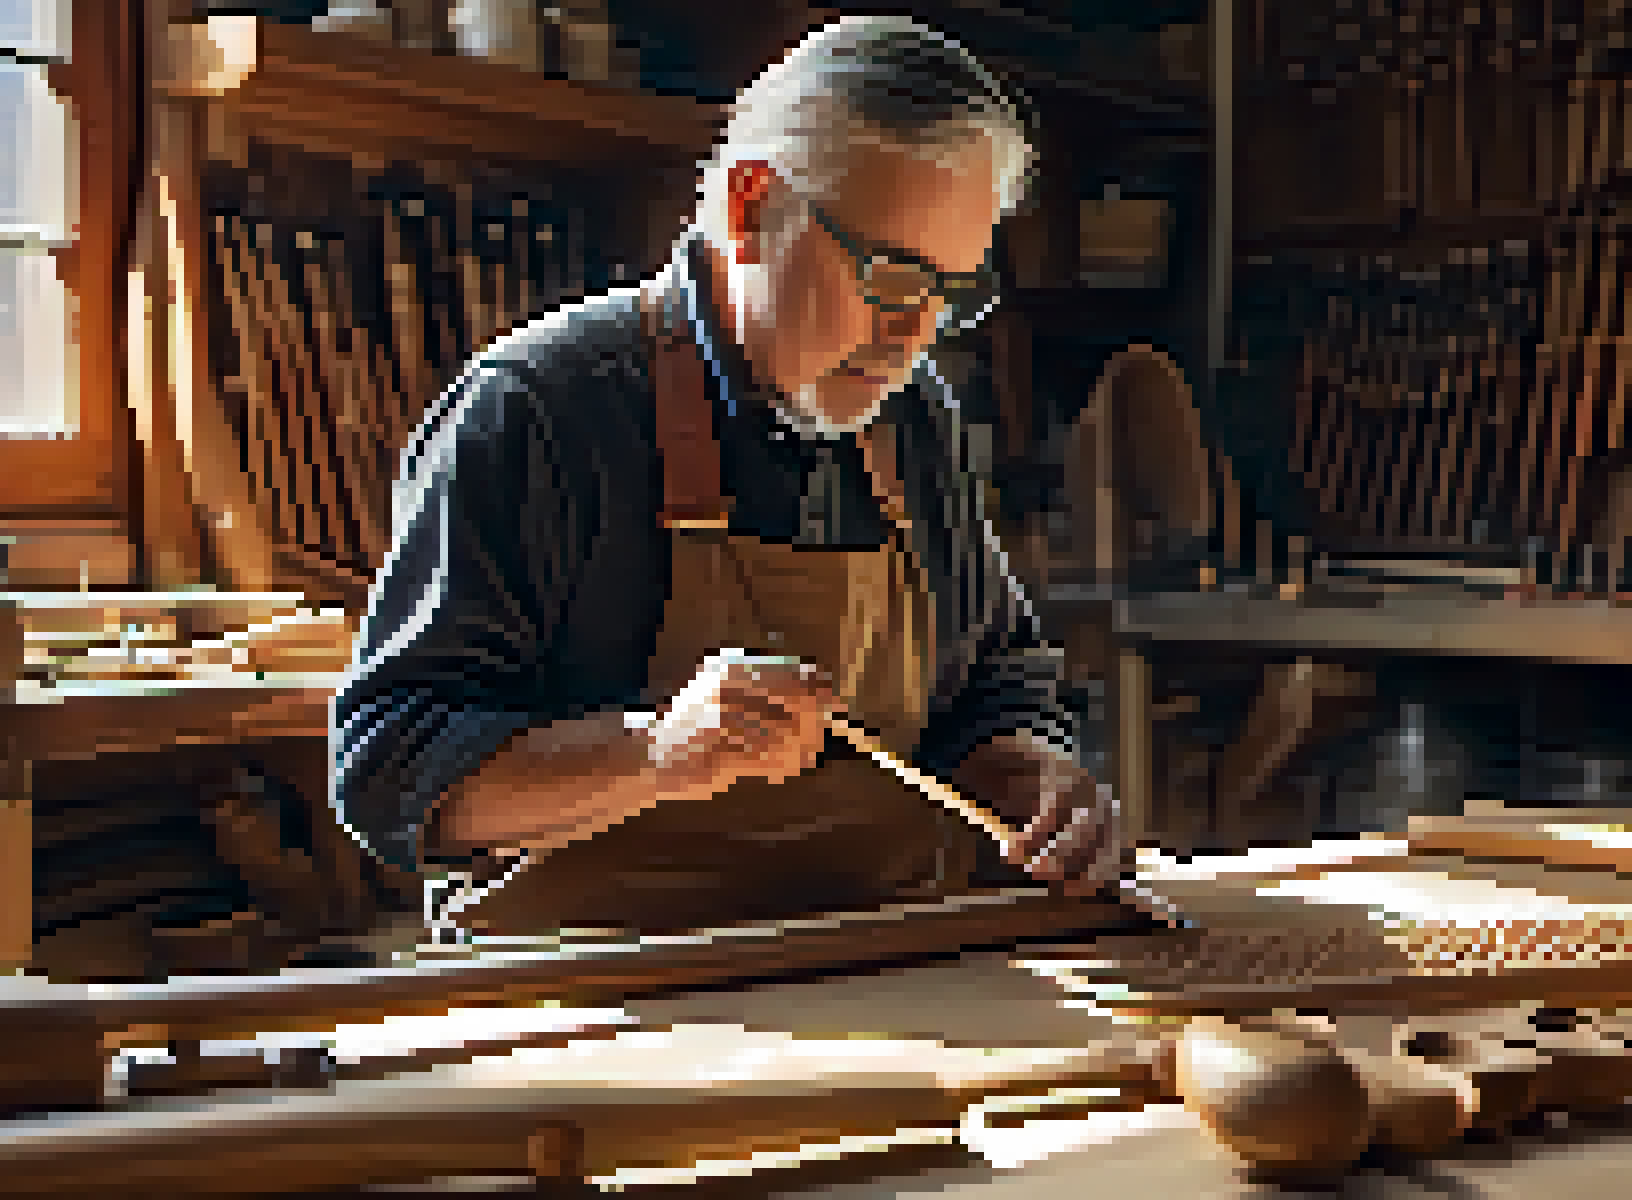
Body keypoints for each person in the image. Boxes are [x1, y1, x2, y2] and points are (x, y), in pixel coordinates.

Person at [330, 16, 1124, 938]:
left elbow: (993, 677)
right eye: (892, 277)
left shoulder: (914, 418)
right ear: (750, 209)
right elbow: (390, 770)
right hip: (598, 997)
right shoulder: (541, 410)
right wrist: (656, 751)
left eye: (949, 293)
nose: (913, 337)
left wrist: (1031, 768)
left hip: (874, 961)